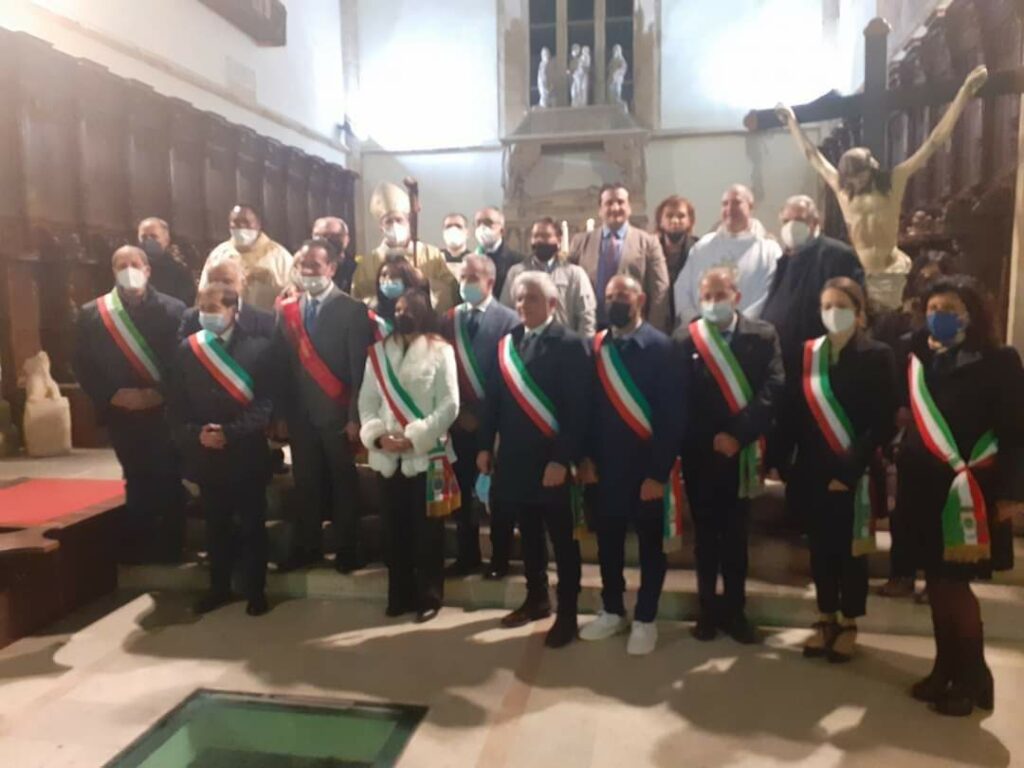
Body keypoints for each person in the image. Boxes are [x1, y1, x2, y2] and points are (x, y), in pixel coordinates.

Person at [897, 276, 1023, 716]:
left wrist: (1012, 493)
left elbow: (1016, 431)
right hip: (925, 490)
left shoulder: (999, 360)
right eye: (933, 309)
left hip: (972, 491)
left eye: (950, 309)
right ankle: (944, 669)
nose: (940, 316)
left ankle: (973, 678)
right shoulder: (921, 358)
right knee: (935, 583)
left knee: (955, 586)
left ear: (971, 313)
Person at [776, 65, 987, 276]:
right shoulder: (843, 189)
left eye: (860, 175)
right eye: (852, 178)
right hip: (859, 269)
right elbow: (813, 156)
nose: (856, 181)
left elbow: (933, 142)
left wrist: (964, 93)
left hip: (892, 269)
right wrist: (791, 122)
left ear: (871, 169)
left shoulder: (893, 181)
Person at [478, 271, 592, 648]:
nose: (523, 305)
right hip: (514, 460)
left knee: (563, 542)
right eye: (519, 298)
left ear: (552, 304)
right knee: (528, 536)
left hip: (552, 464)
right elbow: (493, 401)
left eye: (532, 298)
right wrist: (484, 446)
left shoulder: (571, 344)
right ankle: (537, 598)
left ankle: (568, 613)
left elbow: (579, 410)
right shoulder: (507, 344)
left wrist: (562, 459)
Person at [676, 267, 784, 644]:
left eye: (719, 295)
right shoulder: (686, 339)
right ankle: (707, 611)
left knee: (737, 537)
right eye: (706, 297)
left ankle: (736, 612)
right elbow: (679, 398)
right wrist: (710, 438)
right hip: (701, 454)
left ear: (736, 297)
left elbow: (774, 387)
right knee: (705, 537)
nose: (712, 303)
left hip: (742, 453)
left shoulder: (762, 335)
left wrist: (738, 435)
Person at [577, 275, 685, 655]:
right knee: (608, 544)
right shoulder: (597, 347)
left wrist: (658, 472)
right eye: (609, 296)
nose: (614, 302)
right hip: (605, 468)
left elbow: (673, 417)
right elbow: (586, 409)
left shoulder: (663, 348)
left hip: (645, 470)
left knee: (651, 547)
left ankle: (645, 618)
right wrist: (585, 458)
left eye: (622, 295)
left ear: (640, 299)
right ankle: (612, 609)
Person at [791, 278, 896, 663]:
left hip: (856, 470)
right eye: (827, 306)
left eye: (841, 305)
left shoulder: (877, 354)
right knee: (820, 549)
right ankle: (825, 618)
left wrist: (849, 468)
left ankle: (849, 623)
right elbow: (795, 412)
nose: (833, 313)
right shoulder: (808, 354)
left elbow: (883, 420)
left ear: (859, 312)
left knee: (851, 552)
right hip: (813, 470)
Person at [72, 245, 186, 563]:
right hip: (121, 412)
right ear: (113, 271)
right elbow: (81, 364)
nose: (129, 270)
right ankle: (141, 545)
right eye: (121, 265)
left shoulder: (174, 309)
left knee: (168, 475)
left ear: (147, 269)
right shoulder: (92, 314)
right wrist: (110, 395)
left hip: (163, 410)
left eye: (134, 264)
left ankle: (172, 546)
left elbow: (184, 360)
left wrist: (160, 392)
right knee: (135, 476)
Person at [169, 282, 273, 617]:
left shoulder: (259, 349)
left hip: (245, 451)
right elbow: (177, 405)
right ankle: (219, 588)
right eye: (203, 309)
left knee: (252, 524)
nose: (207, 315)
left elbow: (265, 404)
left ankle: (256, 590)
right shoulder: (187, 350)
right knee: (216, 526)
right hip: (207, 454)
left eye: (214, 309)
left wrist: (230, 432)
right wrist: (196, 434)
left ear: (233, 311)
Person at [358, 290, 460, 624]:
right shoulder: (377, 353)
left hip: (425, 456)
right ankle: (398, 593)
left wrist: (415, 436)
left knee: (428, 533)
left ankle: (430, 595)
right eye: (399, 309)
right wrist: (379, 436)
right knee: (393, 531)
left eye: (411, 309)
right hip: (388, 456)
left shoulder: (441, 350)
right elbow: (367, 402)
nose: (403, 314)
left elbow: (450, 404)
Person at [273, 239, 373, 572]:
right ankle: (308, 546)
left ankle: (347, 548)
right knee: (306, 483)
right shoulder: (287, 310)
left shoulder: (352, 310)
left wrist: (355, 416)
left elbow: (359, 370)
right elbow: (282, 368)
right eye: (302, 265)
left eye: (314, 265)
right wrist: (281, 415)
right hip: (300, 416)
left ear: (331, 268)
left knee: (343, 483)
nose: (307, 271)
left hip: (337, 415)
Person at [761, 195, 865, 495]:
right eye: (786, 220)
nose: (792, 226)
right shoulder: (785, 259)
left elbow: (850, 304)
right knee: (790, 431)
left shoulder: (837, 255)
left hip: (822, 363)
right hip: (788, 360)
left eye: (800, 219)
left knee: (816, 439)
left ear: (815, 222)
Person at [873, 251, 958, 599]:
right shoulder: (906, 336)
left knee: (939, 514)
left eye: (936, 279)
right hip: (912, 438)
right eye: (924, 280)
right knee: (904, 512)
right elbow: (892, 381)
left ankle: (934, 579)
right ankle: (902, 573)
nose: (929, 286)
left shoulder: (971, 345)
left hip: (951, 442)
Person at [439, 255, 520, 578]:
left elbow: (510, 376)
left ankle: (499, 559)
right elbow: (440, 371)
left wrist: (485, 418)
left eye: (472, 277)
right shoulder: (448, 320)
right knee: (461, 493)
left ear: (490, 281)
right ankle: (467, 555)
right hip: (457, 421)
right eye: (462, 277)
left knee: (498, 496)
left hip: (495, 424)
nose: (465, 283)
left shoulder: (509, 321)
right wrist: (458, 412)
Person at [673, 184, 780, 327]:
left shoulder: (769, 250)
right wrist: (697, 322)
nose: (729, 209)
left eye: (736, 202)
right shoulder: (703, 246)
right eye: (725, 204)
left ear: (751, 207)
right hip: (701, 333)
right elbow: (682, 289)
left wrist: (737, 326)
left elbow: (769, 295)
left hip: (748, 333)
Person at [569, 183, 671, 332]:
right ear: (600, 210)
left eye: (620, 202)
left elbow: (660, 288)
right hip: (590, 327)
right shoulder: (580, 242)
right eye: (609, 203)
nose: (615, 208)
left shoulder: (649, 242)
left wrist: (653, 329)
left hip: (632, 329)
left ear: (629, 208)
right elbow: (570, 286)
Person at [352, 182, 458, 313]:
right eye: (388, 221)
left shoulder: (431, 254)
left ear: (408, 222)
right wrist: (383, 301)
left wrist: (425, 282)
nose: (394, 225)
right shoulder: (368, 263)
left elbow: (451, 290)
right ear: (381, 227)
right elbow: (357, 299)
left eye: (399, 220)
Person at [501, 217, 597, 337]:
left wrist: (584, 344)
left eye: (545, 236)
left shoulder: (575, 274)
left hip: (564, 341)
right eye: (535, 236)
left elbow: (586, 314)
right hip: (527, 340)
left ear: (558, 240)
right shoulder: (516, 273)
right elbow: (506, 311)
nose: (539, 240)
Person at [200, 204, 293, 312]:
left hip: (266, 318)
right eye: (236, 222)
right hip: (224, 318)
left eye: (246, 222)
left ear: (258, 224)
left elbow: (291, 293)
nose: (241, 226)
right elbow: (204, 291)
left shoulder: (280, 256)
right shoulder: (219, 254)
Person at [178, 259, 275, 341]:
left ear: (243, 283)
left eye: (227, 281)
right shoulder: (192, 318)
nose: (220, 286)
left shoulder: (265, 321)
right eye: (214, 281)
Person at [653, 195, 698, 319]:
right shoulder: (649, 249)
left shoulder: (698, 249)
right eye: (669, 216)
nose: (675, 221)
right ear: (660, 221)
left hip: (689, 316)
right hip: (657, 316)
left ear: (690, 221)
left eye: (681, 216)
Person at [137, 217, 196, 306]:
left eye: (154, 237)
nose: (149, 241)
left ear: (166, 240)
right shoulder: (132, 268)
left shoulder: (180, 271)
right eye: (144, 237)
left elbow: (186, 304)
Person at [474, 205, 524, 300]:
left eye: (488, 223)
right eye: (478, 223)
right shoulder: (469, 260)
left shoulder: (518, 261)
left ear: (502, 230)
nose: (482, 228)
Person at [372, 259, 431, 333]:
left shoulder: (419, 307)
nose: (387, 279)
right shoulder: (374, 312)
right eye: (384, 275)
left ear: (406, 279)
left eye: (394, 276)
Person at [312, 216, 357, 294]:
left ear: (346, 239)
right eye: (318, 236)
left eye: (332, 236)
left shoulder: (357, 270)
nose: (325, 241)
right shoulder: (303, 270)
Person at [440, 213, 472, 281]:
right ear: (443, 232)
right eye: (448, 226)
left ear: (467, 233)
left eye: (458, 226)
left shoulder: (476, 261)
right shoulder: (434, 259)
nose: (453, 230)